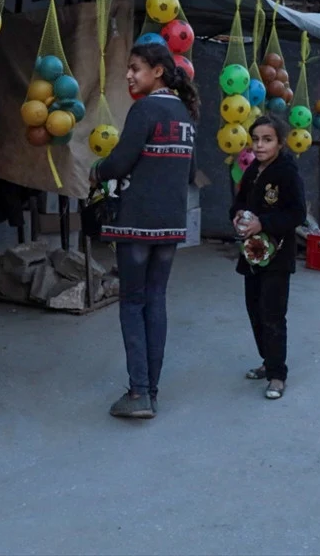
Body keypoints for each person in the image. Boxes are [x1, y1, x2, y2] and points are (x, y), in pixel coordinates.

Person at [91, 42, 198, 419]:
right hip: (170, 225)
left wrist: (97, 171)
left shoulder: (145, 109)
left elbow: (119, 163)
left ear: (158, 71)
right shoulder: (183, 113)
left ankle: (138, 394)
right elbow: (190, 170)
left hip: (136, 224)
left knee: (132, 304)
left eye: (135, 68)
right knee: (156, 301)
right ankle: (150, 388)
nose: (129, 75)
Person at [230, 115, 306, 400]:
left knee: (273, 314)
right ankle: (267, 360)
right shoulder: (253, 170)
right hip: (252, 255)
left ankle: (277, 375)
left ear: (280, 142)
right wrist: (237, 215)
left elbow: (297, 213)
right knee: (255, 310)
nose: (259, 145)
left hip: (277, 254)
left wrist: (263, 224)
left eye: (267, 139)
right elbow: (239, 201)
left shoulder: (287, 172)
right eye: (256, 139)